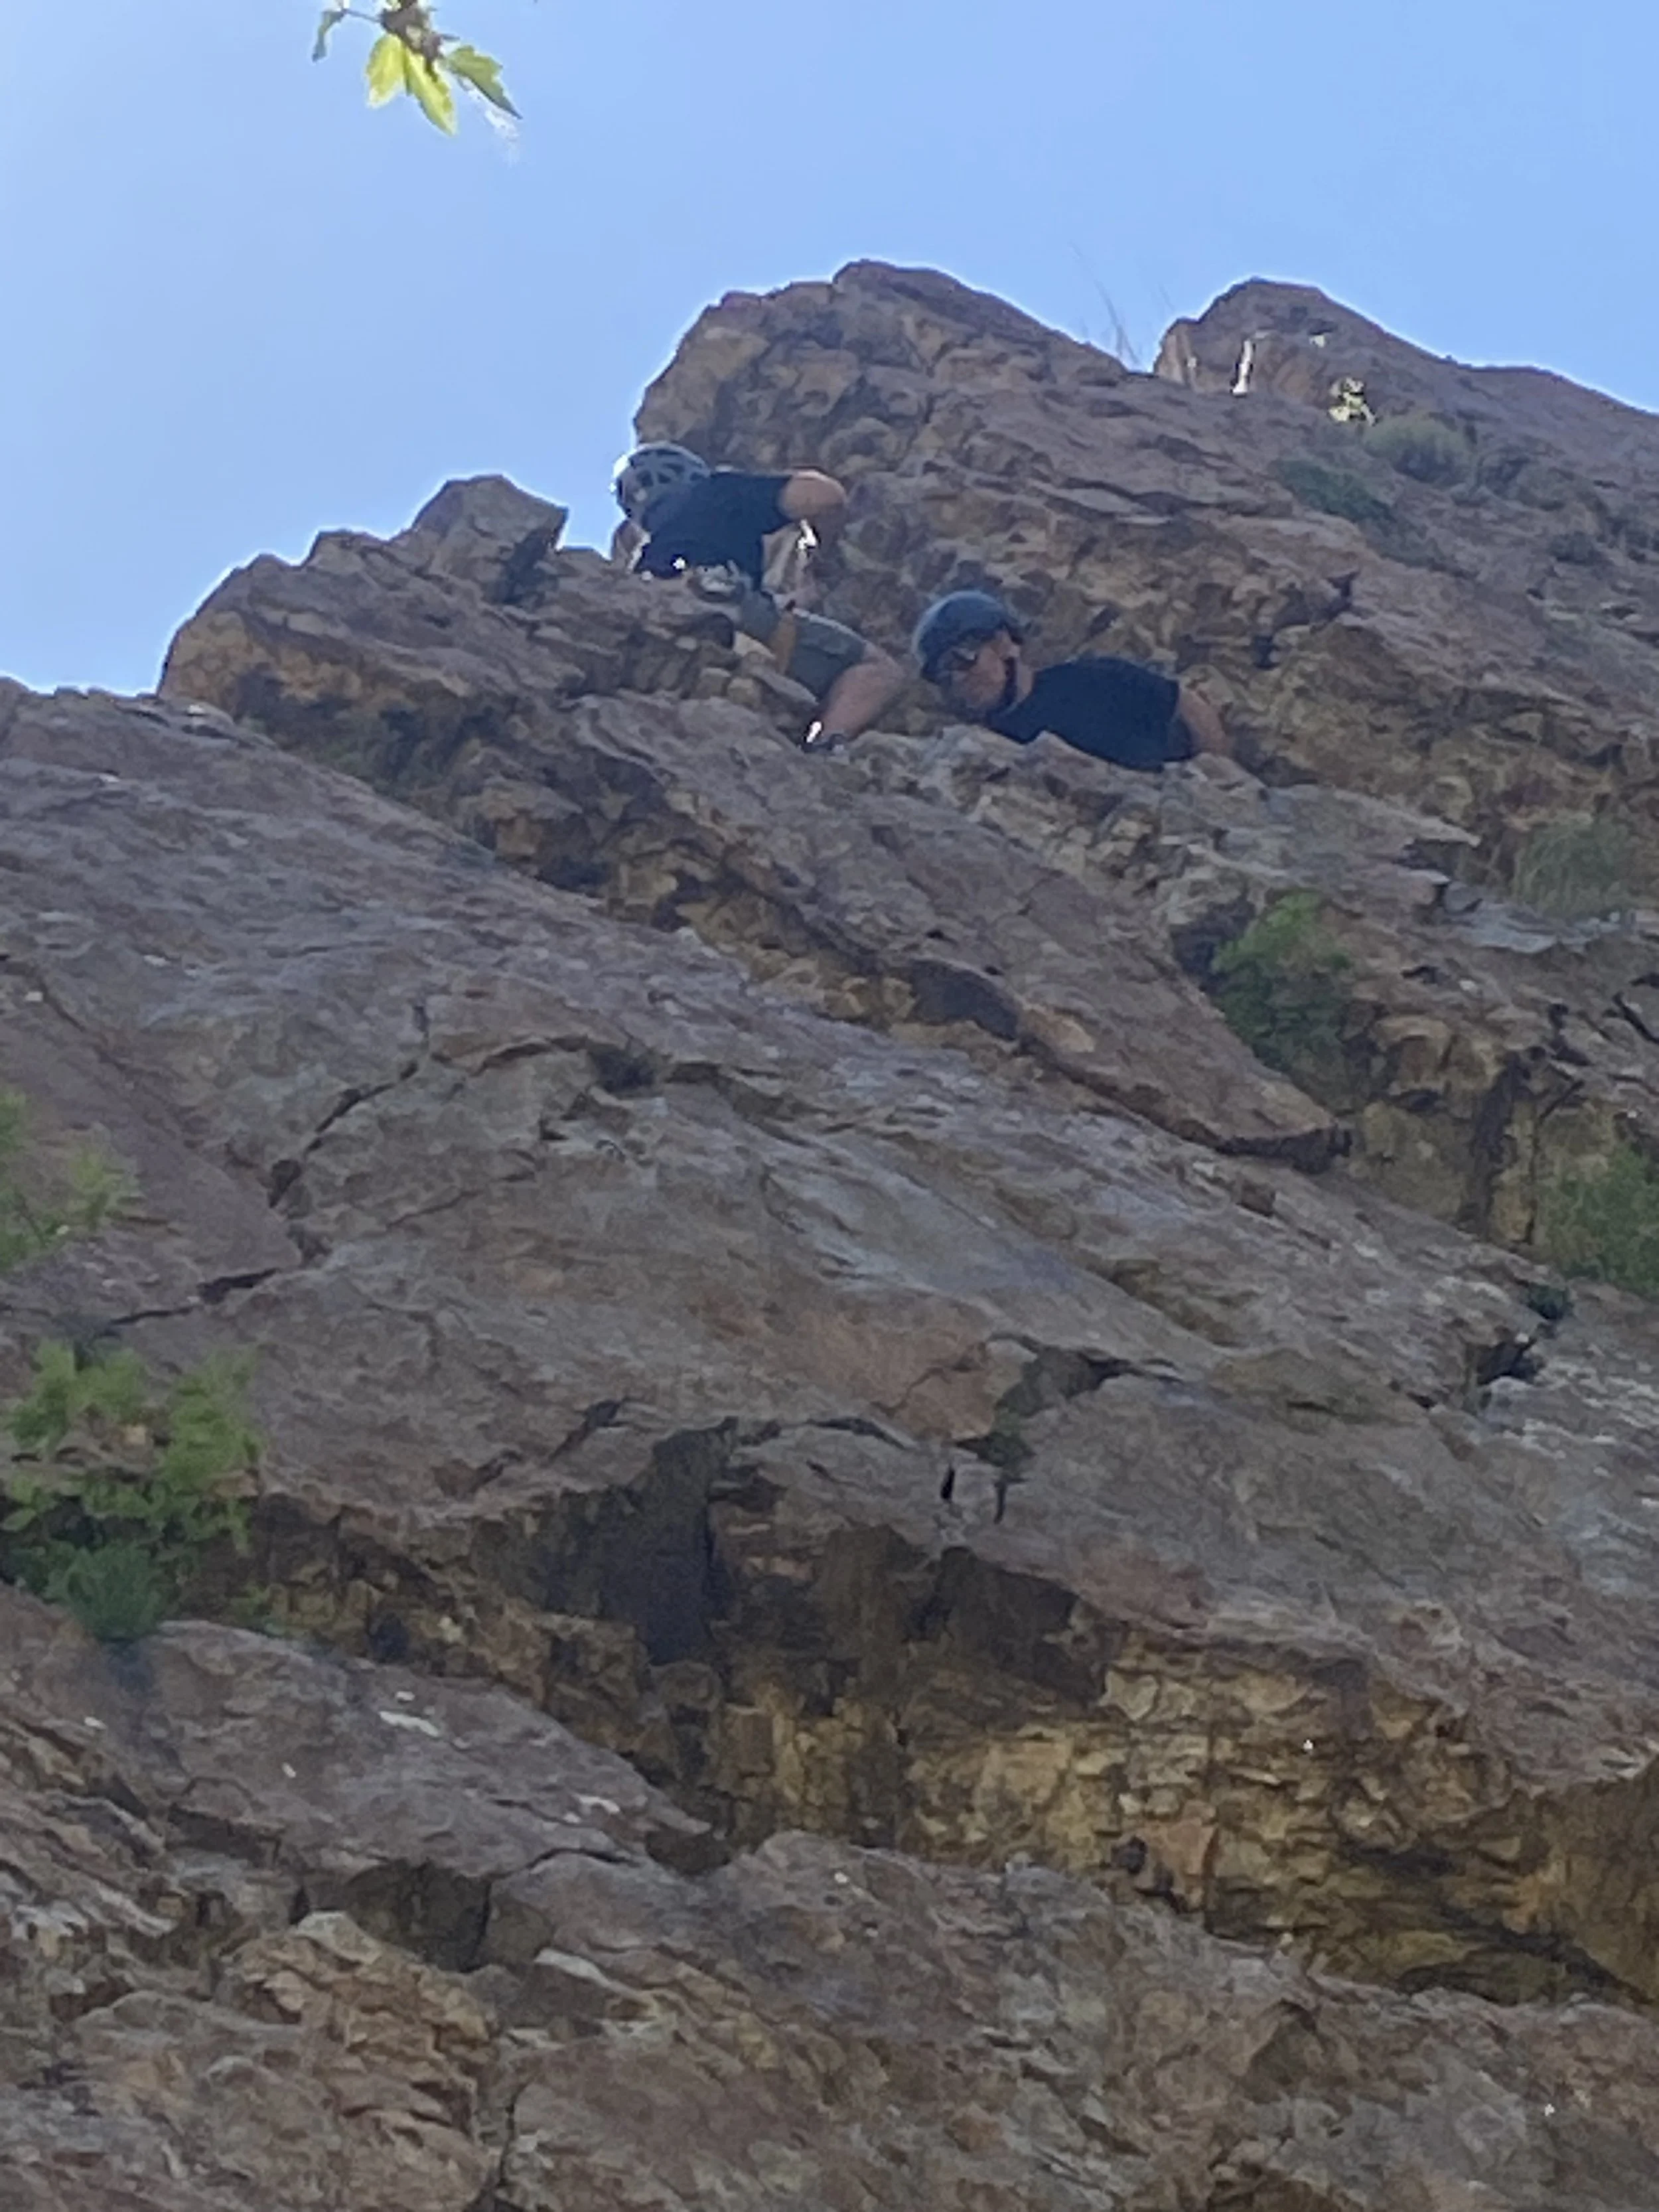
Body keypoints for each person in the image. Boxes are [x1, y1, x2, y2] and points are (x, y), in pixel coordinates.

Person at [612, 443, 907, 750]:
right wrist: (817, 548)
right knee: (876, 669)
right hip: (735, 609)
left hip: (677, 639)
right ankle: (825, 745)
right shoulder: (719, 491)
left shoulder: (647, 558)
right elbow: (824, 496)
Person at [912, 589, 1231, 767]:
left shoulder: (1095, 680)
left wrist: (1216, 782)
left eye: (963, 659)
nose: (957, 679)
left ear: (1003, 643)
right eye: (943, 675)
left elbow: (1189, 706)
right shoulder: (986, 752)